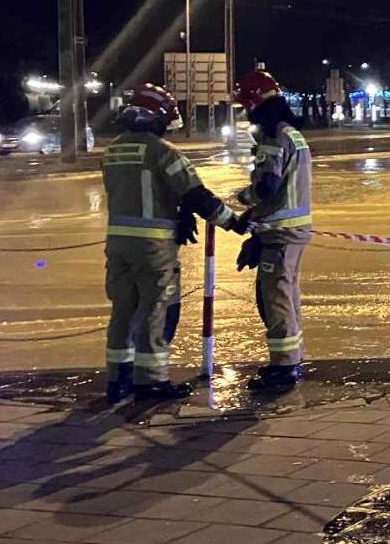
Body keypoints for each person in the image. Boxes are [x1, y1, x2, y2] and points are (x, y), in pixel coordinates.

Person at [101, 83, 240, 403]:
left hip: (118, 244)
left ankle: (117, 379)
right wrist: (233, 221)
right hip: (154, 248)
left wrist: (179, 210)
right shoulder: (162, 151)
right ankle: (149, 382)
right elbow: (196, 195)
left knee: (123, 310)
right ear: (158, 118)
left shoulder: (113, 151)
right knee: (156, 310)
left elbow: (136, 194)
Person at [233, 70, 313, 391]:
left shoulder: (273, 137)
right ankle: (292, 360)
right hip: (289, 230)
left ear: (254, 102)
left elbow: (267, 186)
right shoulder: (292, 133)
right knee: (287, 296)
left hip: (280, 233)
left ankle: (283, 369)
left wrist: (241, 200)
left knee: (275, 299)